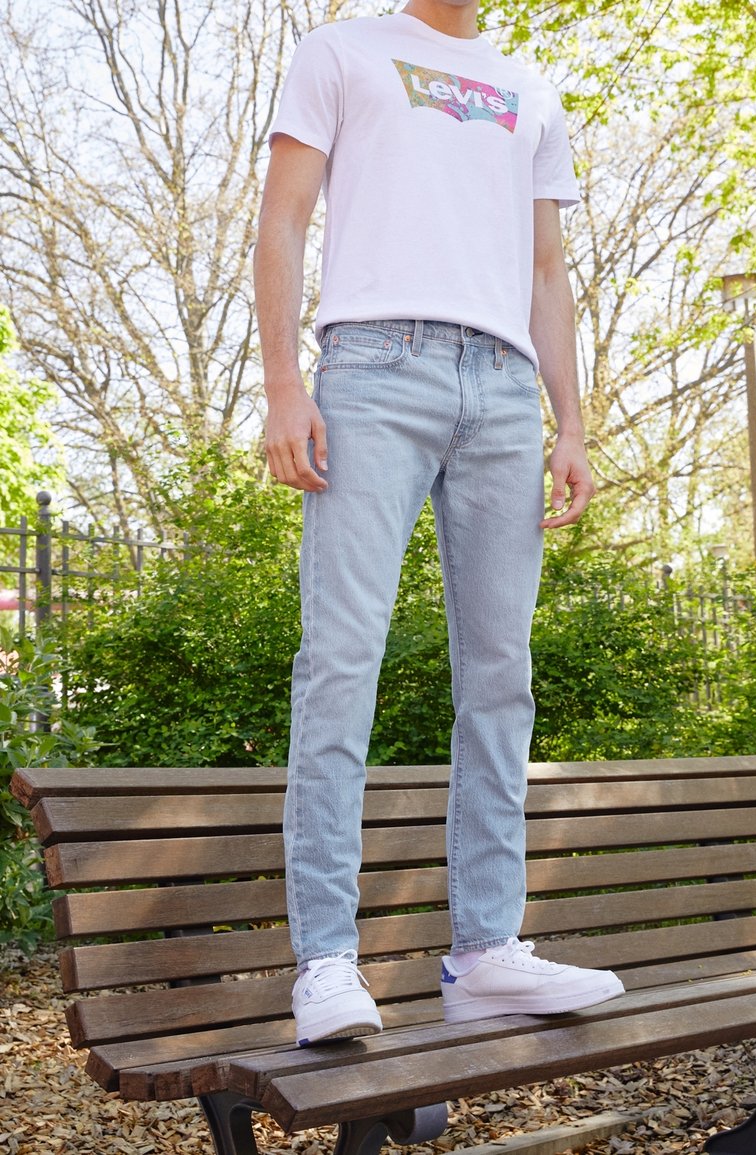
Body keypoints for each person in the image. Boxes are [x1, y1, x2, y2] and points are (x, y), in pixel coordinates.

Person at [253, 0, 624, 1047]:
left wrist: (572, 422)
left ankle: (486, 953)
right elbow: (282, 219)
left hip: (505, 389)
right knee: (341, 659)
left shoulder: (529, 86)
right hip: (372, 369)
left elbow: (547, 270)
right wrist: (286, 386)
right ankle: (326, 959)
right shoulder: (338, 51)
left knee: (499, 676)